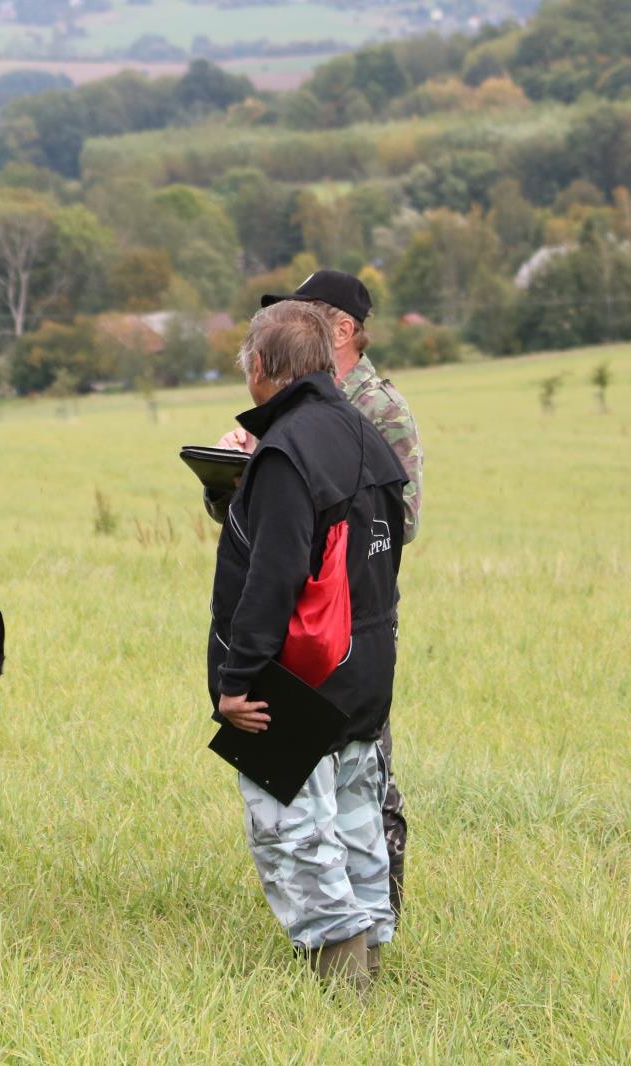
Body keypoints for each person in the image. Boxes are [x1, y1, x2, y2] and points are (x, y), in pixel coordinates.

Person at [206, 299, 408, 990]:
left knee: (290, 832)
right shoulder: (365, 433)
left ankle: (342, 987)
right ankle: (373, 966)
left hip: (291, 676)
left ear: (262, 368)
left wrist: (237, 682)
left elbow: (274, 578)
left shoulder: (287, 451)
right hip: (366, 662)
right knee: (357, 822)